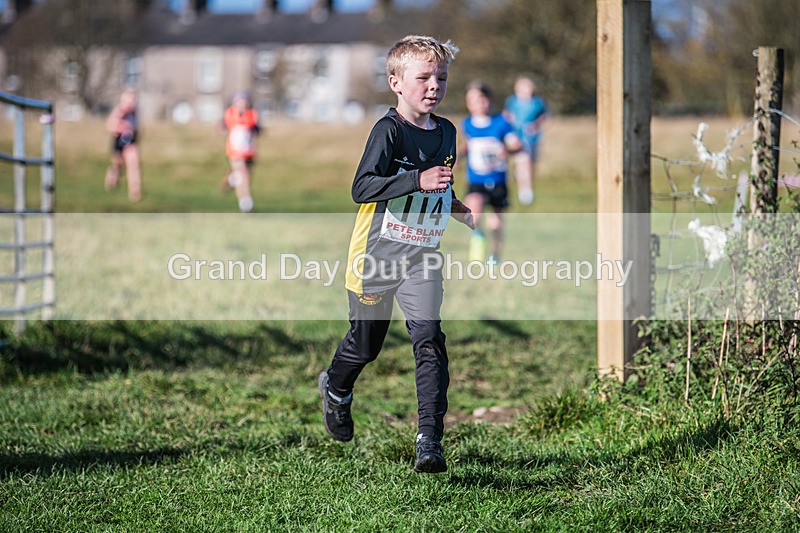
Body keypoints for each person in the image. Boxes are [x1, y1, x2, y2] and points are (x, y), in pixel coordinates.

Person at [317, 35, 475, 474]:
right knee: (366, 346)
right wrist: (415, 180)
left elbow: (439, 179)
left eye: (440, 78)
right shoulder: (387, 132)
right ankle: (336, 388)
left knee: (429, 340)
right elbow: (361, 188)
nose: (434, 86)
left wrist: (454, 203)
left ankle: (429, 440)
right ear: (396, 83)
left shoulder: (447, 132)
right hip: (375, 257)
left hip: (422, 257)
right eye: (423, 77)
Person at [461, 81, 521, 265]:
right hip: (476, 179)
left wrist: (507, 150)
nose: (477, 104)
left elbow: (515, 144)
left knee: (496, 222)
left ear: (489, 100)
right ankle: (478, 237)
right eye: (471, 100)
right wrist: (456, 157)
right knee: (473, 214)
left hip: (497, 179)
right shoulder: (467, 124)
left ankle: (495, 255)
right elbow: (468, 144)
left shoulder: (501, 122)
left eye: (480, 99)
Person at [503, 75, 548, 206]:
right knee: (524, 160)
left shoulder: (537, 102)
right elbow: (506, 115)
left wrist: (535, 126)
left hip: (533, 138)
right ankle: (525, 193)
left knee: (530, 164)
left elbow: (544, 117)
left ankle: (523, 180)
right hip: (518, 137)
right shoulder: (512, 101)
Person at [221, 91, 260, 213]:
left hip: (248, 151)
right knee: (243, 176)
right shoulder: (230, 114)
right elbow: (222, 126)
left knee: (245, 175)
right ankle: (246, 205)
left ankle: (232, 179)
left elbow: (257, 130)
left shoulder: (251, 115)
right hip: (235, 151)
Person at [105, 88, 142, 202]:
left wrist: (134, 132)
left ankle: (135, 192)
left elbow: (137, 128)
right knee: (117, 166)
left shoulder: (134, 113)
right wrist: (122, 126)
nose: (131, 103)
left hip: (130, 141)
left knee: (134, 165)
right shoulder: (119, 111)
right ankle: (112, 179)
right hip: (119, 140)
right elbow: (110, 126)